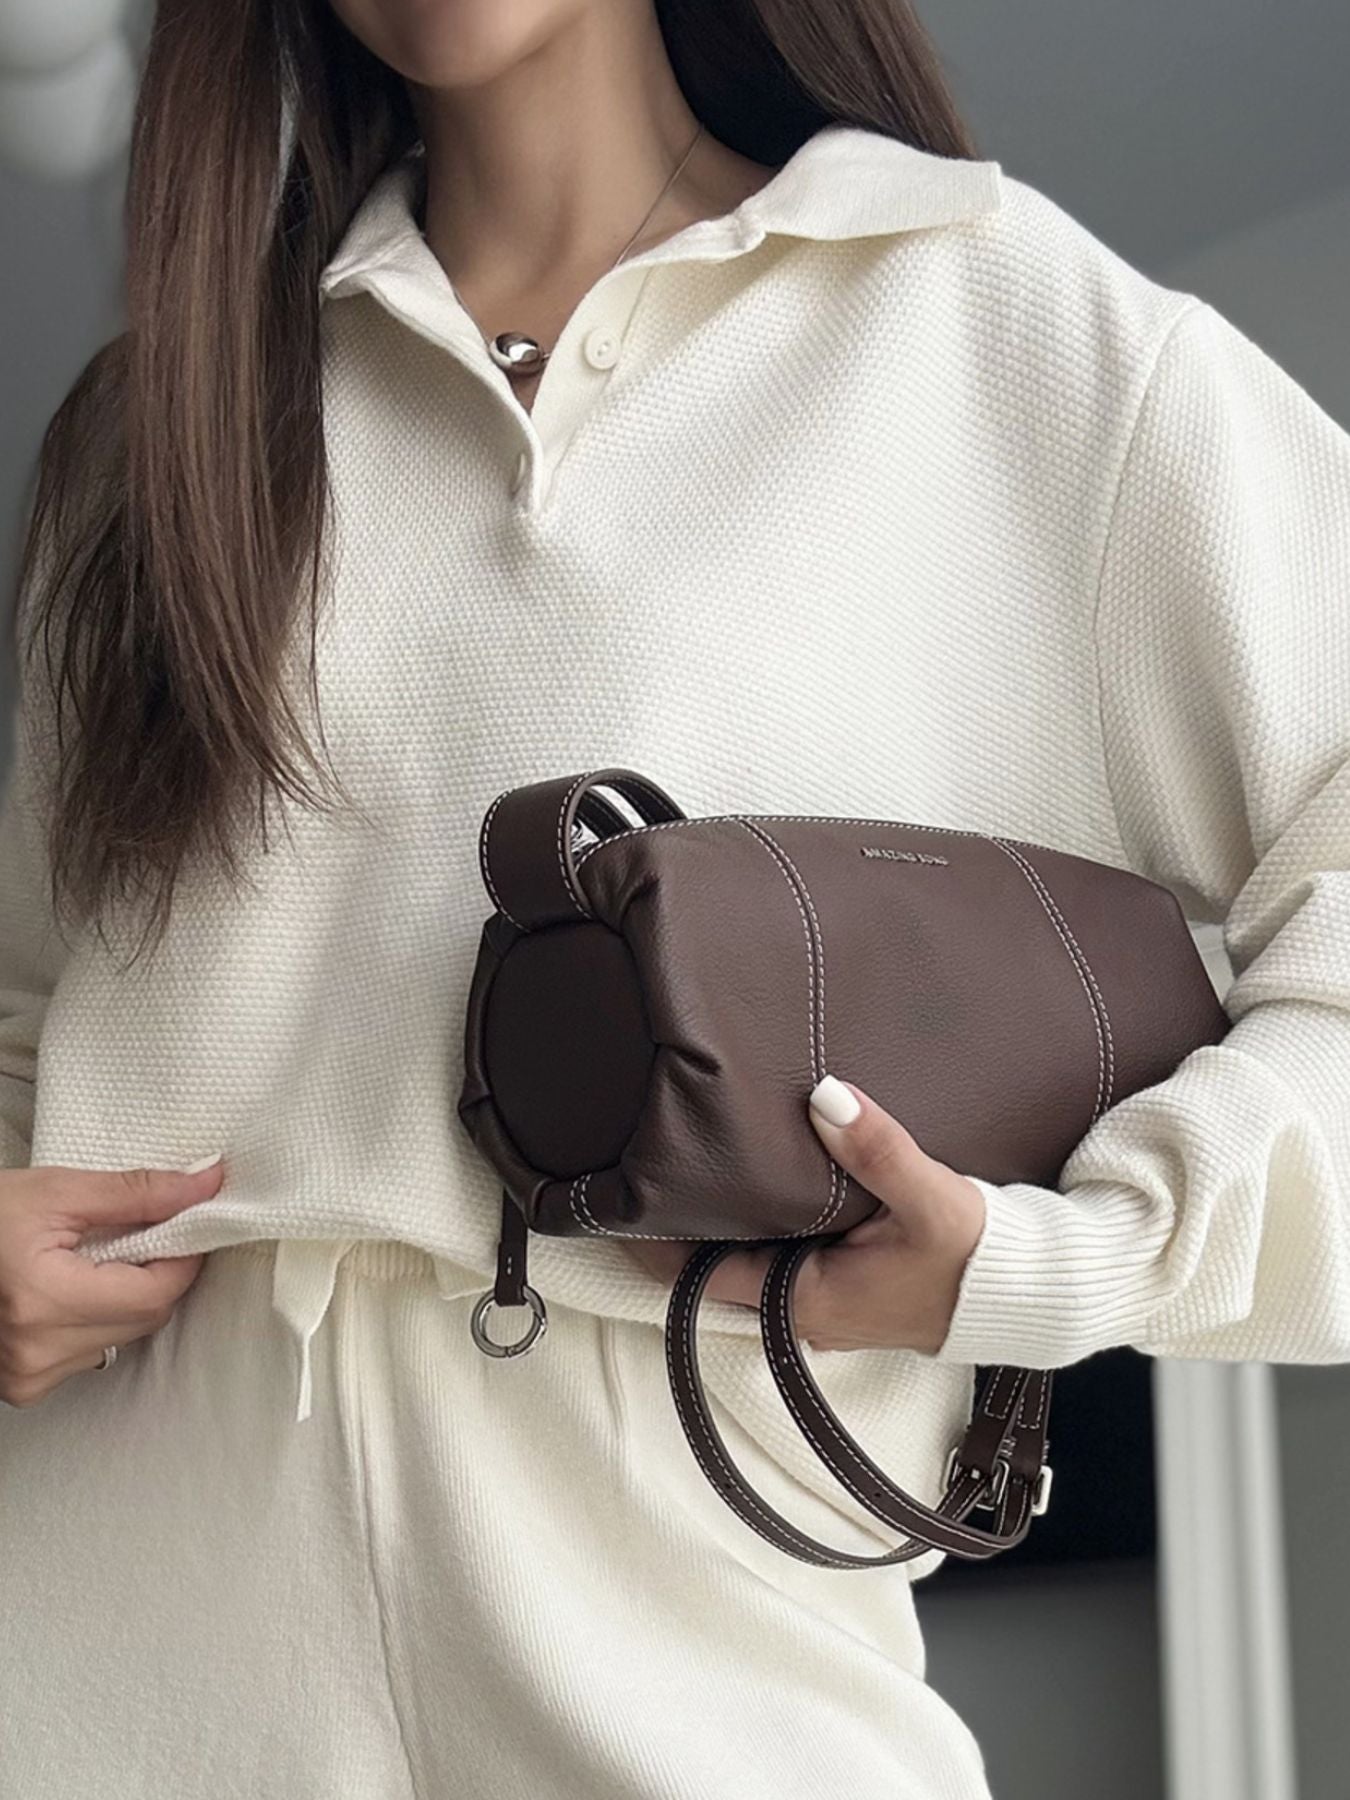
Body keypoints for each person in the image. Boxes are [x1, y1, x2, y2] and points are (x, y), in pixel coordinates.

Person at [2, 1, 1348, 1795]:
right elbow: (36, 1017)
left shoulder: (989, 323)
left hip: (685, 1595)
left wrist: (1064, 1258)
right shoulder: (151, 432)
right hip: (117, 1622)